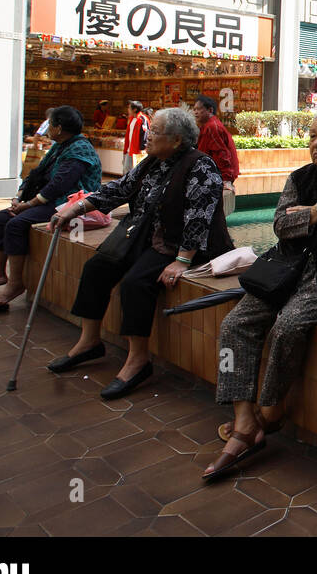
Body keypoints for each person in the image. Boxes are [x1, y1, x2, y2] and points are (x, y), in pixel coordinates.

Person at [206, 110, 317, 481]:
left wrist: (309, 214)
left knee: (287, 327)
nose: (316, 143)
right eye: (312, 135)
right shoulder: (298, 177)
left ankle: (269, 412)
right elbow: (280, 224)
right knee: (235, 325)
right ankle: (244, 420)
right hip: (283, 271)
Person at [46, 107, 231, 400]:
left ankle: (138, 360)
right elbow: (118, 190)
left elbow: (199, 216)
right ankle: (89, 341)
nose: (147, 135)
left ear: (176, 140)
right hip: (150, 238)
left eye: (155, 131)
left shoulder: (200, 166)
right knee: (98, 267)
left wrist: (182, 260)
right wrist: (75, 209)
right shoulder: (152, 163)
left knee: (136, 282)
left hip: (183, 245)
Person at [0, 106, 102, 310]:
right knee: (1, 217)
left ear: (58, 128)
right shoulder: (61, 146)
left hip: (70, 206)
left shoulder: (79, 149)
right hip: (52, 201)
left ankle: (15, 284)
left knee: (16, 224)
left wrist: (28, 205)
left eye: (50, 124)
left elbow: (60, 184)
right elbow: (36, 174)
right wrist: (20, 198)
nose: (47, 128)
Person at [193, 95, 240, 217]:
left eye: (199, 109)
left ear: (210, 110)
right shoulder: (209, 125)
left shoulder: (212, 127)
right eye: (194, 109)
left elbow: (222, 154)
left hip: (219, 176)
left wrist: (226, 179)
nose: (196, 112)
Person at [123, 100, 149, 175]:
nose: (128, 110)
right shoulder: (131, 119)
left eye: (129, 108)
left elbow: (145, 133)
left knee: (135, 170)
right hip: (130, 149)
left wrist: (142, 148)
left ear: (134, 109)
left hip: (137, 150)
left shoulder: (142, 119)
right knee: (127, 169)